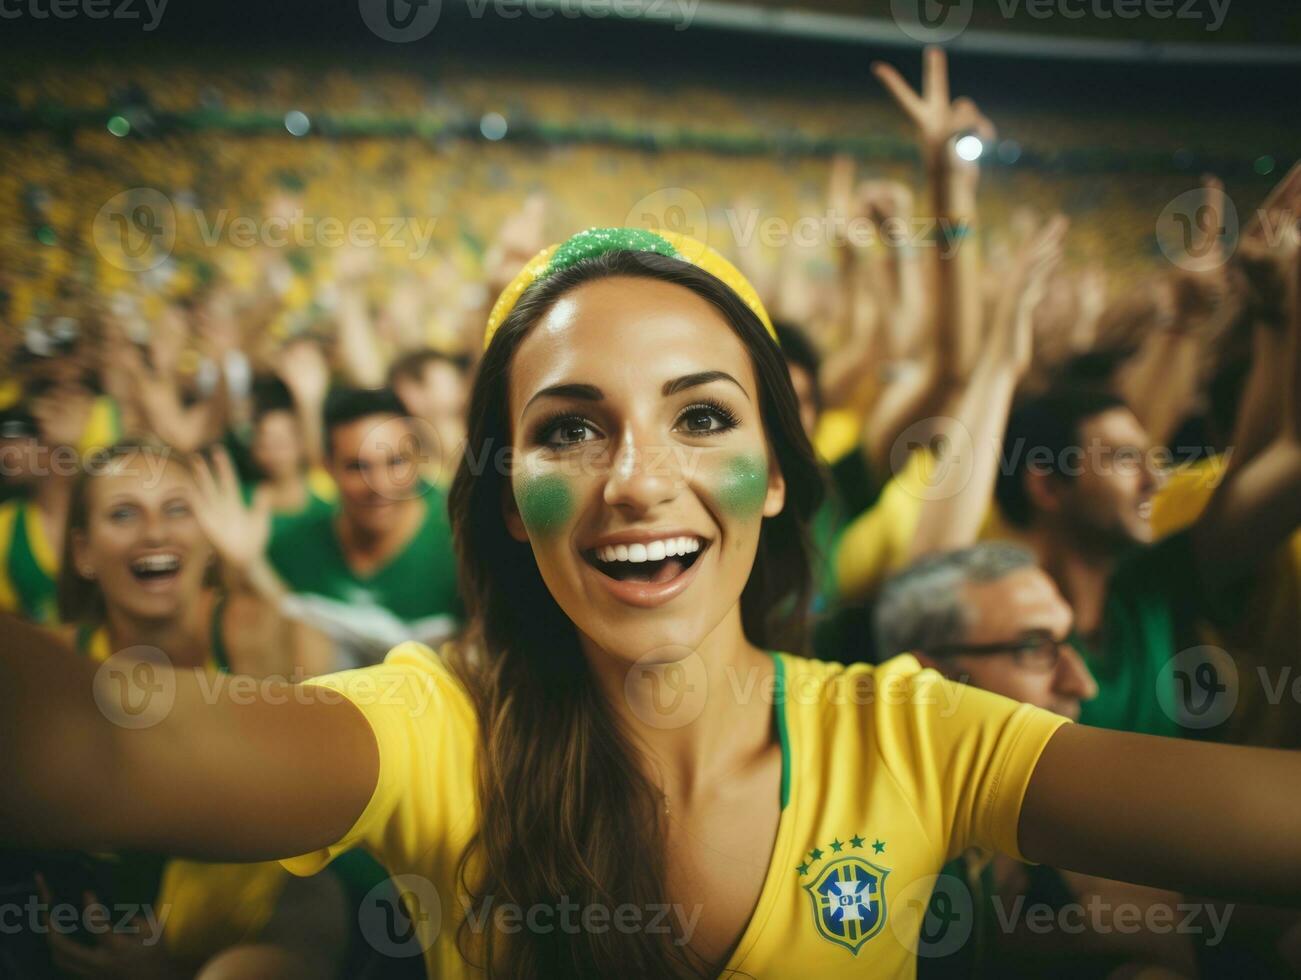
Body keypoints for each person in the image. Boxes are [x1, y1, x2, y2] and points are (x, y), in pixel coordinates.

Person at [2, 229, 1299, 980]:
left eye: (701, 417)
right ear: (509, 502)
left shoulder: (912, 739)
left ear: (779, 475)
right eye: (570, 430)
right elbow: (87, 751)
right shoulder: (434, 733)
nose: (638, 480)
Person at [9, 439, 344, 979]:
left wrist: (251, 566)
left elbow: (298, 791)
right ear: (83, 552)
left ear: (208, 538)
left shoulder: (257, 637)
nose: (156, 533)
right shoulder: (55, 664)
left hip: (268, 927)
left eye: (177, 509)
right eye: (123, 514)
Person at [878, 544, 1206, 978]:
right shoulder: (884, 862)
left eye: (1067, 644)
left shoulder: (1064, 830)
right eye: (1035, 648)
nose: (1083, 684)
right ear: (930, 683)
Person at [265, 386, 463, 666]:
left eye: (396, 462)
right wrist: (245, 565)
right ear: (328, 467)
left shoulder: (460, 535)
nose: (380, 485)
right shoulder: (299, 542)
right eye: (358, 467)